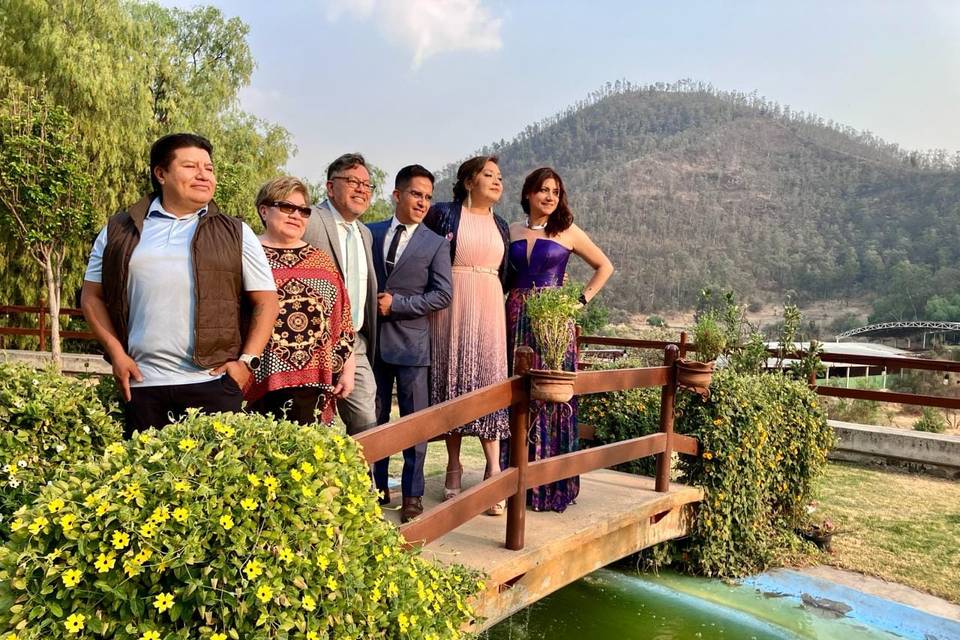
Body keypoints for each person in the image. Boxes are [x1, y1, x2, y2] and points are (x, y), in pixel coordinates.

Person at [80, 133, 279, 436]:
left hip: (212, 383)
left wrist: (245, 363)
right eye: (190, 166)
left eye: (209, 168)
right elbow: (92, 297)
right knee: (145, 481)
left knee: (214, 480)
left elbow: (266, 302)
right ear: (161, 173)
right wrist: (117, 354)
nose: (203, 175)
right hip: (144, 386)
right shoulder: (119, 230)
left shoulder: (236, 232)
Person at [507, 167, 613, 512]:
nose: (549, 196)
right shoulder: (509, 230)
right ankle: (511, 481)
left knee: (553, 397)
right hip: (514, 317)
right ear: (528, 194)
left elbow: (605, 266)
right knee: (515, 394)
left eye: (555, 191)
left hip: (552, 323)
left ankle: (550, 485)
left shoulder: (566, 231)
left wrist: (578, 302)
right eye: (543, 190)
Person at [423, 155, 511, 515]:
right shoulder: (443, 213)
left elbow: (508, 271)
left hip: (490, 303)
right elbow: (424, 253)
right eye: (488, 175)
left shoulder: (501, 224)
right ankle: (454, 465)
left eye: (500, 176)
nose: (497, 181)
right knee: (451, 380)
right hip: (450, 304)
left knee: (489, 381)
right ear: (468, 180)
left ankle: (493, 470)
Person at [369, 165, 453, 522]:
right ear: (398, 194)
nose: (422, 202)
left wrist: (398, 305)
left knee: (414, 423)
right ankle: (374, 488)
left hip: (413, 346)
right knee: (374, 420)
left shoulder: (435, 243)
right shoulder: (368, 233)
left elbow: (442, 295)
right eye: (416, 194)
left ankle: (413, 495)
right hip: (371, 343)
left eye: (428, 196)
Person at [244, 177, 357, 425]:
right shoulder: (246, 254)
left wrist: (348, 368)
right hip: (257, 377)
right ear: (264, 210)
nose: (296, 215)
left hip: (312, 382)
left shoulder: (322, 262)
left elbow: (342, 319)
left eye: (303, 211)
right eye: (287, 207)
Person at [301, 153, 379, 435]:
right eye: (352, 181)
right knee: (308, 423)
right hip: (309, 343)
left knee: (366, 422)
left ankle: (362, 480)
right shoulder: (309, 219)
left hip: (353, 342)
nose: (361, 189)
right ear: (330, 187)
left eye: (367, 185)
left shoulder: (365, 234)